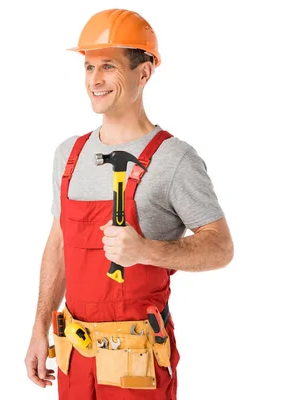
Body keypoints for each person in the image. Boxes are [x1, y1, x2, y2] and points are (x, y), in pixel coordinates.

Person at [24, 8, 234, 400]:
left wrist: (146, 250)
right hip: (75, 356)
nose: (95, 80)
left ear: (145, 72)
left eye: (108, 66)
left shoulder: (174, 160)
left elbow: (221, 248)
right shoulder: (68, 155)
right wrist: (39, 326)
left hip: (136, 364)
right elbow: (58, 242)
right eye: (88, 68)